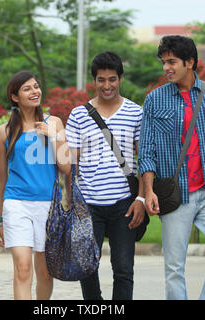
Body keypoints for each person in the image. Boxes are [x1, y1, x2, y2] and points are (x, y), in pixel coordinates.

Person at [138, 35, 205, 300]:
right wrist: (149, 192)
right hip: (175, 195)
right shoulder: (154, 100)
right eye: (164, 62)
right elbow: (146, 152)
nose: (166, 68)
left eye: (172, 62)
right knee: (174, 267)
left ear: (190, 62)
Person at [65, 52, 145, 300]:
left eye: (112, 79)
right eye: (101, 80)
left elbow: (143, 161)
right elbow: (71, 163)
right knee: (86, 267)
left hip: (125, 203)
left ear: (120, 78)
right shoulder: (78, 115)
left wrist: (141, 199)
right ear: (94, 81)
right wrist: (71, 202)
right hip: (88, 203)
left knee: (123, 269)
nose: (107, 85)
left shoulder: (136, 113)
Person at [0, 70, 70, 300]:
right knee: (23, 268)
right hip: (17, 205)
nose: (34, 91)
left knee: (45, 272)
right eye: (27, 88)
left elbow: (66, 167)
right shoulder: (3, 132)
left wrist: (54, 136)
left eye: (36, 86)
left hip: (48, 206)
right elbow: (0, 178)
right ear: (14, 96)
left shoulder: (54, 122)